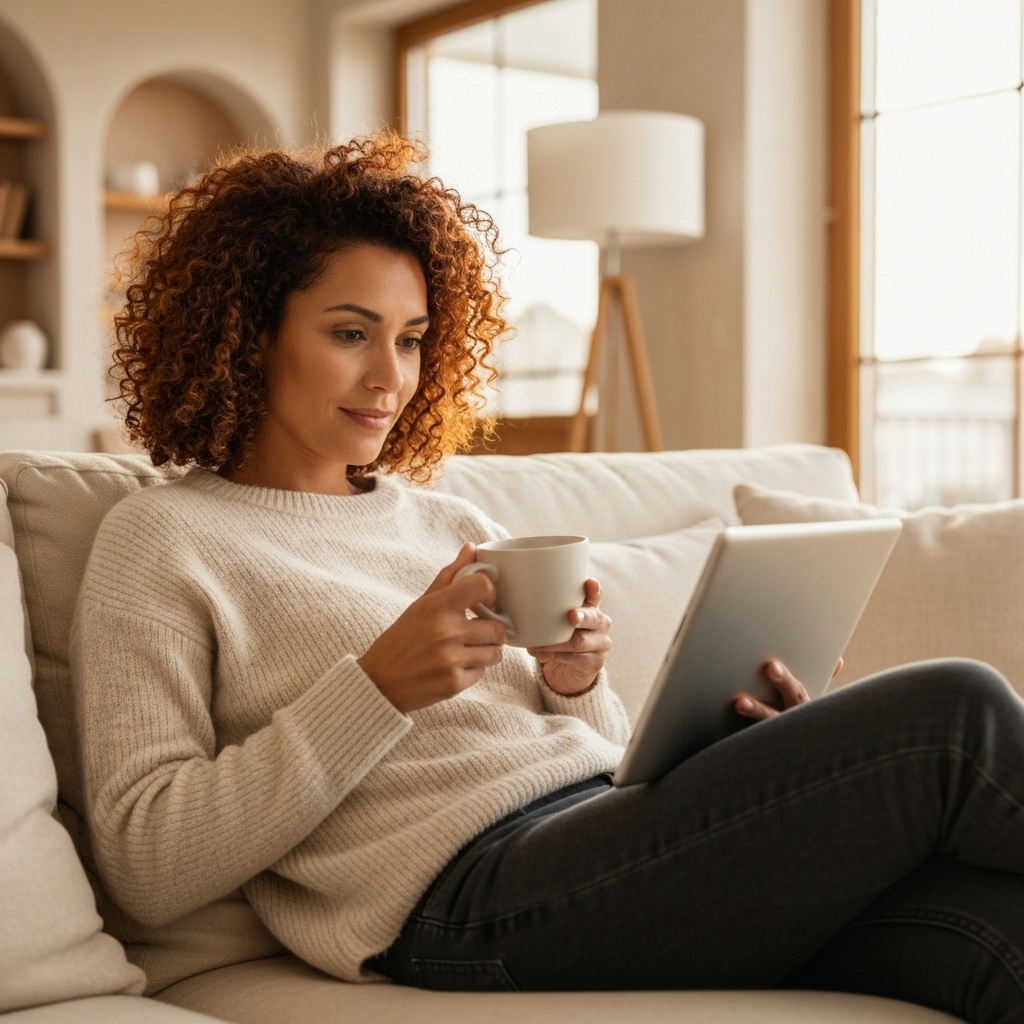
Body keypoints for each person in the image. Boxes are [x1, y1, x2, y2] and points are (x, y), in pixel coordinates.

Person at [71, 134, 1024, 1024]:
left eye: (410, 340)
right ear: (247, 332)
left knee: (996, 936)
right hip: (466, 897)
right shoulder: (162, 540)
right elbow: (149, 862)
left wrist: (577, 686)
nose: (391, 379)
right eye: (351, 333)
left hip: (601, 837)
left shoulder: (447, 520)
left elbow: (595, 767)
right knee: (958, 713)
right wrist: (376, 688)